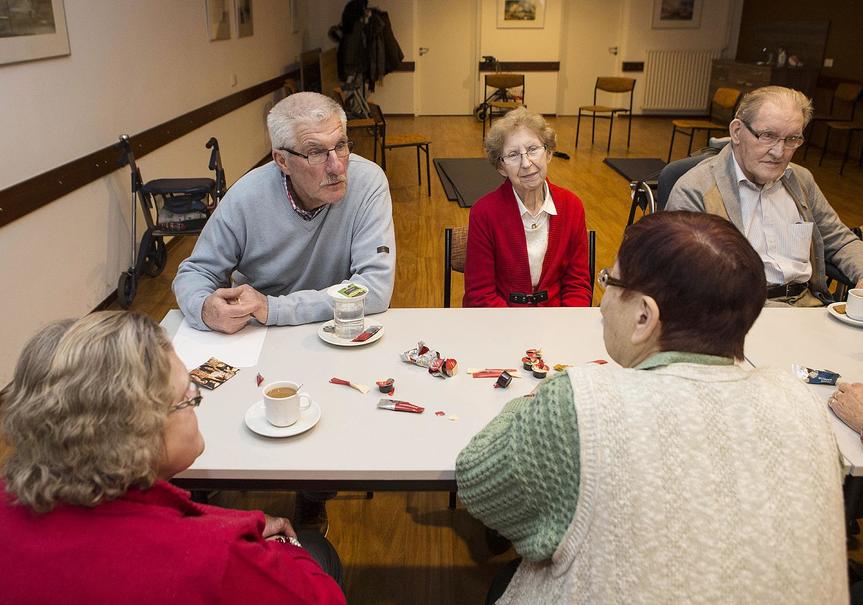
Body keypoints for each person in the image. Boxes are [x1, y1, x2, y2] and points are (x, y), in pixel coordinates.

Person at [457, 212, 847, 604]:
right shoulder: (803, 404)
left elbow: (478, 482)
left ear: (644, 316)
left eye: (608, 281)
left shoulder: (581, 403)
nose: (601, 305)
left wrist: (532, 405)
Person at [0, 311, 345, 605]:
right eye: (186, 395)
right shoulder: (214, 556)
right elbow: (323, 598)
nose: (198, 398)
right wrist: (283, 544)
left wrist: (228, 521)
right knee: (316, 549)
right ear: (138, 430)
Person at [173, 91, 396, 334]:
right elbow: (195, 273)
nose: (337, 166)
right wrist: (205, 308)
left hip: (335, 327)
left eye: (340, 146)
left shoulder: (368, 182)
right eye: (316, 152)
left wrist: (274, 308)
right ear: (282, 161)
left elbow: (374, 287)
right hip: (260, 334)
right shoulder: (246, 196)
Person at [666, 85, 863, 306]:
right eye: (768, 136)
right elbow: (686, 278)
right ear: (737, 131)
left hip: (807, 307)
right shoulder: (696, 190)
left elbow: (840, 241)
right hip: (736, 312)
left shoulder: (801, 180)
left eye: (791, 139)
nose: (779, 152)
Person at [464, 107, 592, 307]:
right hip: (501, 323)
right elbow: (480, 295)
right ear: (501, 167)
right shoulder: (484, 213)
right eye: (513, 155)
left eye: (533, 149)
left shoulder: (572, 206)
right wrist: (516, 332)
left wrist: (563, 328)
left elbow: (577, 285)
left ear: (548, 153)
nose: (526, 163)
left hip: (557, 322)